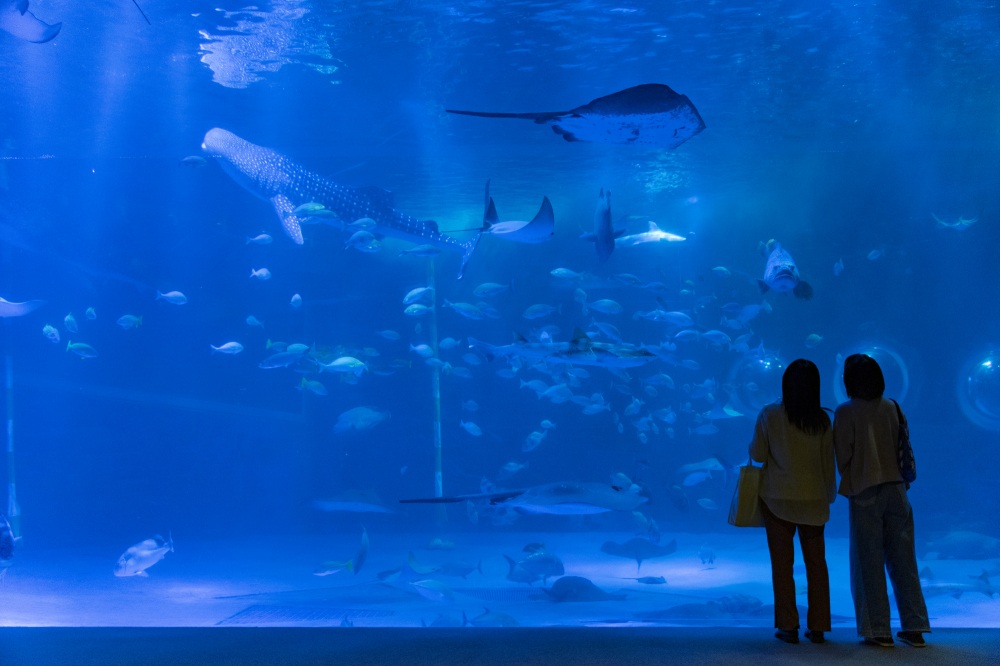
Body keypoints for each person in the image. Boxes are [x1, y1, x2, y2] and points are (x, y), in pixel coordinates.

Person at [833, 353, 930, 648]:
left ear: (849, 381)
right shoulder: (893, 407)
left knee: (867, 562)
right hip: (898, 491)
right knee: (904, 560)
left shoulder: (846, 411)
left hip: (865, 492)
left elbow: (843, 454)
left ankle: (878, 630)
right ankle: (914, 628)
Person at [749, 359, 836, 644]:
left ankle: (788, 626)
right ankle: (819, 625)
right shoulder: (823, 420)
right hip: (813, 500)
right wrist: (829, 496)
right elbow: (827, 463)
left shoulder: (770, 414)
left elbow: (758, 455)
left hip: (777, 501)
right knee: (816, 565)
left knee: (782, 566)